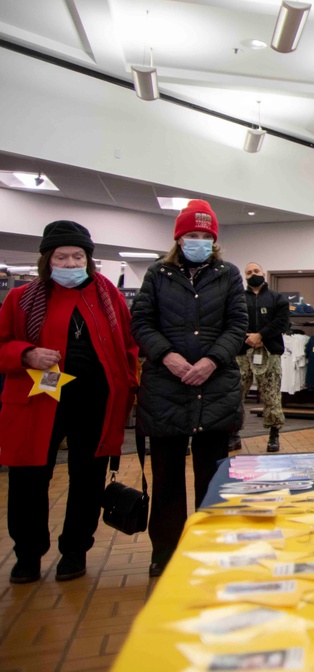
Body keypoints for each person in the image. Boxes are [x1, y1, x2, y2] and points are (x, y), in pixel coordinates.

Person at [0, 221, 138, 583]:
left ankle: (75, 550)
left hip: (95, 401)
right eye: (62, 256)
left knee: (88, 479)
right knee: (29, 478)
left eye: (78, 256)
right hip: (38, 399)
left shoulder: (109, 297)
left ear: (89, 260)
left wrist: (130, 387)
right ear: (48, 260)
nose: (70, 263)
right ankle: (27, 554)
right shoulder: (21, 298)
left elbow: (128, 346)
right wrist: (26, 353)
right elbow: (1, 345)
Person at [131, 199, 247, 577]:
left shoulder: (229, 274)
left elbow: (237, 325)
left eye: (204, 235)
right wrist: (167, 356)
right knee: (166, 476)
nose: (198, 241)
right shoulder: (157, 275)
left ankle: (210, 548)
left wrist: (212, 360)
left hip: (214, 387)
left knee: (213, 476)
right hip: (166, 387)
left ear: (213, 240)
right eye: (191, 235)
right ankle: (164, 551)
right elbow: (142, 323)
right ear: (178, 238)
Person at [233, 262, 289, 453]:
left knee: (271, 394)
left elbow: (281, 322)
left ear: (263, 273)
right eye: (249, 272)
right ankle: (233, 435)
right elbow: (231, 322)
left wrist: (261, 335)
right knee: (235, 394)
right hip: (241, 352)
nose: (253, 274)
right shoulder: (237, 298)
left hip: (269, 352)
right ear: (245, 277)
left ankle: (274, 435)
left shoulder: (277, 298)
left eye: (256, 271)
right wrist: (246, 338)